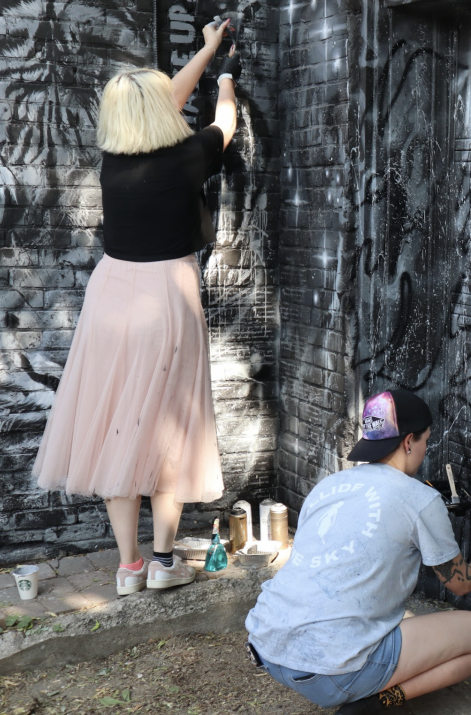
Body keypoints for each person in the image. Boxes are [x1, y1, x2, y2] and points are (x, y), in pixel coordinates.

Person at [32, 20, 242, 596]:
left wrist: (202, 50)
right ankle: (164, 561)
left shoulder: (115, 157)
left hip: (111, 294)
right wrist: (224, 78)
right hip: (165, 294)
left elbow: (163, 102)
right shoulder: (187, 156)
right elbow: (224, 126)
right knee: (166, 428)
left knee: (118, 427)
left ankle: (127, 569)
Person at [245, 389, 471, 714]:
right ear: (408, 442)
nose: (425, 449)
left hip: (268, 642)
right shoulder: (420, 499)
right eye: (426, 442)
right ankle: (377, 703)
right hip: (330, 671)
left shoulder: (330, 486)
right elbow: (460, 583)